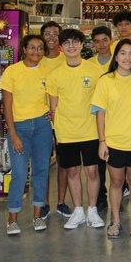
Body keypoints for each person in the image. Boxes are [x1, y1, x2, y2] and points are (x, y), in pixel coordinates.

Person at [46, 29, 105, 230]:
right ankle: (78, 210)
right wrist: (56, 131)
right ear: (61, 48)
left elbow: (101, 103)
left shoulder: (95, 71)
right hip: (66, 132)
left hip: (90, 131)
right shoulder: (55, 75)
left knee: (92, 171)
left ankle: (92, 210)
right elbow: (53, 107)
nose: (72, 46)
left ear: (82, 45)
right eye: (67, 43)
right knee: (72, 171)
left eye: (75, 42)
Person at [91, 39, 131, 239]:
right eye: (123, 53)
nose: (127, 57)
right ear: (116, 57)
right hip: (113, 143)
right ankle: (115, 221)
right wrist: (102, 141)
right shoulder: (106, 81)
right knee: (115, 183)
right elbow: (100, 113)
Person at [0, 35, 53, 235]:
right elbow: (7, 107)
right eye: (32, 48)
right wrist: (13, 134)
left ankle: (38, 216)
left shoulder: (48, 72)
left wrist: (52, 112)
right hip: (19, 128)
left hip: (42, 127)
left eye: (40, 48)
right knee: (20, 175)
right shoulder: (12, 72)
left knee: (41, 171)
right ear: (24, 49)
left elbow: (54, 97)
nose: (36, 52)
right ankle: (12, 219)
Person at [39, 21, 70, 220]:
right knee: (43, 163)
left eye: (55, 34)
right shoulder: (35, 59)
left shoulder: (66, 59)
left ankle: (61, 201)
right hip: (40, 120)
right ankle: (43, 203)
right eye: (47, 34)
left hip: (63, 121)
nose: (51, 37)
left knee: (64, 163)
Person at [88, 25, 113, 212]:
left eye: (104, 40)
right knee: (99, 162)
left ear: (111, 40)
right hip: (97, 120)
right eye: (97, 41)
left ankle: (126, 190)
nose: (101, 44)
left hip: (121, 120)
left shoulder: (120, 59)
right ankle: (100, 196)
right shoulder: (88, 64)